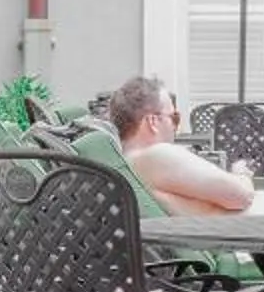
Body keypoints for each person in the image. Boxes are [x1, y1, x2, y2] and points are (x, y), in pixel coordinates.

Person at [106, 75, 256, 215]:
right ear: (153, 122)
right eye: (174, 118)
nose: (176, 128)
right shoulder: (156, 156)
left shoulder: (125, 164)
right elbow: (242, 195)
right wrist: (241, 174)